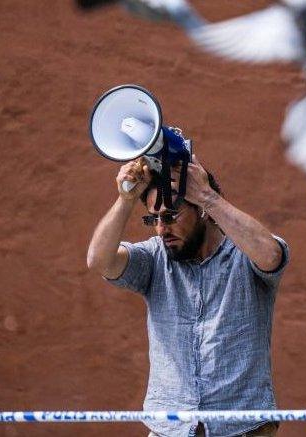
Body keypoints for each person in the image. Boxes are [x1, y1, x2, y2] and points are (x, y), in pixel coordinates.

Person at [86, 153, 288, 437]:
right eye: (153, 218)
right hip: (169, 430)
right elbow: (99, 261)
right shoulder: (155, 257)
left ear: (202, 211)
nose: (161, 228)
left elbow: (271, 255)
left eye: (170, 216)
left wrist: (207, 196)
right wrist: (126, 199)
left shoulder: (245, 254)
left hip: (243, 429)